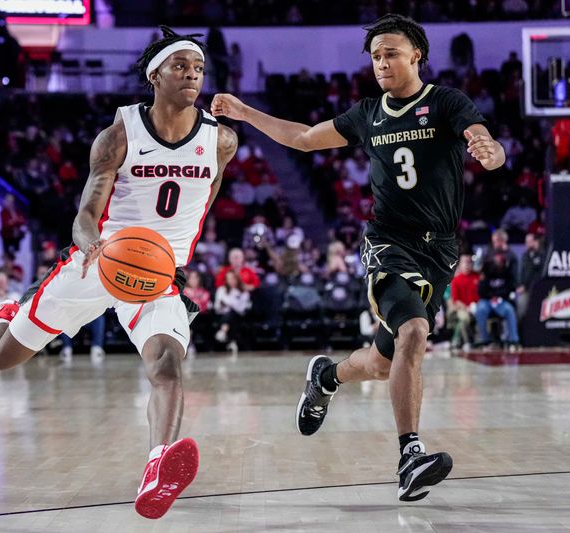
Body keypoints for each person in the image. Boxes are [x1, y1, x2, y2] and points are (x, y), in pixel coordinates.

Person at [211, 14, 505, 501]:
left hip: (440, 250)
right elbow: (304, 138)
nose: (382, 62)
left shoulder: (446, 102)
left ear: (417, 55)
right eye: (375, 56)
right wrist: (246, 113)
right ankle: (410, 455)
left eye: (391, 52)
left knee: (383, 362)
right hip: (389, 241)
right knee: (414, 332)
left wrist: (488, 150)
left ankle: (326, 376)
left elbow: (481, 137)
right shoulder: (367, 114)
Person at [0, 26, 238, 519]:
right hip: (99, 259)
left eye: (198, 69)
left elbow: (203, 205)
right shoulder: (118, 136)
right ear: (155, 74)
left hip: (157, 274)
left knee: (167, 366)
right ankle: (5, 318)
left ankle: (158, 466)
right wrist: (89, 241)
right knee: (3, 360)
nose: (193, 76)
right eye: (181, 67)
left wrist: (173, 259)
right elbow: (86, 210)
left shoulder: (221, 140)